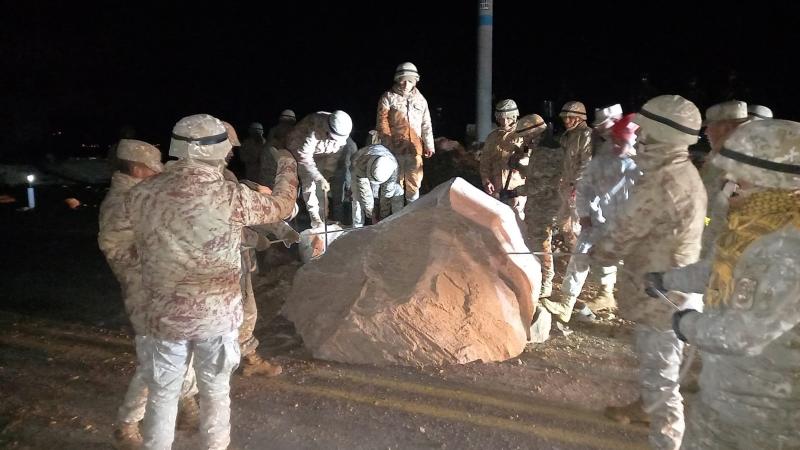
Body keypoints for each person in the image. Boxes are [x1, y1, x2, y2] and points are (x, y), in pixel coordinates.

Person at [125, 114, 298, 449]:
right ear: (213, 149)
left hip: (163, 317)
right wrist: (287, 165)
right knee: (216, 394)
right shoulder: (230, 196)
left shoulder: (141, 194)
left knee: (162, 395)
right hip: (215, 318)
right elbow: (282, 205)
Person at [661, 119, 800, 449]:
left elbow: (744, 335)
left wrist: (687, 324)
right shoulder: (751, 227)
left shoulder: (788, 248)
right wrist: (666, 280)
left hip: (766, 421)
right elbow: (717, 270)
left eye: (739, 174)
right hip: (725, 396)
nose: (728, 181)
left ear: (773, 180)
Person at [591, 95, 706, 450]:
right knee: (659, 365)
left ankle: (667, 439)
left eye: (645, 131)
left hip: (662, 294)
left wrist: (601, 253)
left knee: (661, 377)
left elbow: (625, 231)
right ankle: (645, 409)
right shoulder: (681, 172)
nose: (638, 136)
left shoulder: (662, 181)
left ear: (663, 135)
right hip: (672, 287)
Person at [98, 139, 200, 448]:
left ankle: (187, 403)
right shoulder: (122, 202)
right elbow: (116, 250)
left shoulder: (143, 196)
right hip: (145, 291)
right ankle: (127, 424)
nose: (158, 173)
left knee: (182, 346)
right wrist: (160, 260)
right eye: (153, 169)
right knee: (155, 358)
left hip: (165, 287)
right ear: (138, 169)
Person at [549, 110, 641, 325]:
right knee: (579, 257)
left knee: (617, 263)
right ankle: (566, 304)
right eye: (615, 140)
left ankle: (612, 297)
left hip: (621, 228)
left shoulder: (638, 169)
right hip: (596, 222)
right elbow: (584, 187)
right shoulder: (602, 160)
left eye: (621, 141)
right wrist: (584, 214)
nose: (616, 144)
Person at [222, 121, 297, 377]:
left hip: (196, 274)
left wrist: (282, 232)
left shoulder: (167, 186)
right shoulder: (225, 185)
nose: (231, 153)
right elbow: (273, 209)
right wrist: (256, 239)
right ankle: (248, 359)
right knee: (244, 311)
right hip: (227, 267)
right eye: (228, 148)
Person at [376, 62, 435, 205]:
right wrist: (388, 144)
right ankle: (396, 214)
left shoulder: (421, 100)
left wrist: (429, 145)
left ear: (415, 81)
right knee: (395, 184)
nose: (406, 84)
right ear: (397, 79)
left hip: (414, 149)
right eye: (402, 80)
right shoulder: (388, 97)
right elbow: (382, 122)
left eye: (409, 80)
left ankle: (412, 212)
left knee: (414, 183)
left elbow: (426, 124)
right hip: (394, 149)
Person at [285, 110, 353, 229]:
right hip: (300, 153)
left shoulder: (341, 129)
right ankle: (315, 218)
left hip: (320, 153)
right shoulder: (311, 129)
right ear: (328, 130)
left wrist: (326, 174)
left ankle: (323, 217)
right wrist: (318, 177)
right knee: (309, 182)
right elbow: (304, 158)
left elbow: (335, 153)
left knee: (322, 187)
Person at [514, 114, 558, 298]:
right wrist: (519, 166)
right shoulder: (540, 150)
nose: (525, 141)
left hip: (546, 204)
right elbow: (535, 174)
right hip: (538, 204)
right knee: (535, 241)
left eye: (526, 137)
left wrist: (516, 191)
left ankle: (546, 282)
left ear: (534, 133)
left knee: (541, 243)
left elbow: (541, 183)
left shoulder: (547, 151)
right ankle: (537, 277)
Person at [700, 100, 749, 257]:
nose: (705, 132)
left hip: (717, 244)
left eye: (709, 126)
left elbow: (718, 213)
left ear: (725, 128)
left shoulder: (734, 161)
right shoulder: (721, 156)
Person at [479, 99, 526, 220]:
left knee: (516, 222)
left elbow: (530, 159)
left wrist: (520, 160)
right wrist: (486, 180)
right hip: (496, 190)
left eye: (508, 118)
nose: (504, 121)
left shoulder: (524, 135)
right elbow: (485, 162)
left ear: (514, 117)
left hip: (516, 189)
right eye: (501, 118)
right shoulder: (492, 137)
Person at [558, 101, 593, 251]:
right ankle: (573, 254)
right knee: (563, 223)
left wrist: (578, 186)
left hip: (579, 189)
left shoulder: (586, 135)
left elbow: (587, 163)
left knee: (578, 225)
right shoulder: (567, 136)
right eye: (564, 117)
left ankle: (584, 258)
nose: (566, 121)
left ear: (579, 118)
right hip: (566, 186)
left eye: (570, 117)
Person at [349, 143, 402, 227]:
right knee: (356, 195)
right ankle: (357, 227)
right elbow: (364, 192)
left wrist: (383, 216)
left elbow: (387, 192)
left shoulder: (393, 167)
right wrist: (371, 214)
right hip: (358, 167)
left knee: (398, 190)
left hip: (376, 170)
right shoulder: (361, 163)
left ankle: (397, 222)